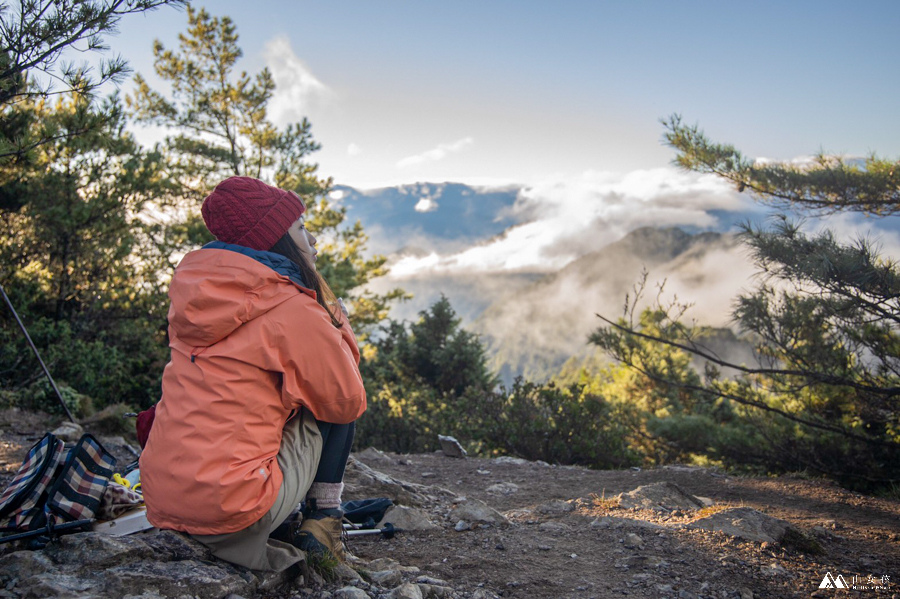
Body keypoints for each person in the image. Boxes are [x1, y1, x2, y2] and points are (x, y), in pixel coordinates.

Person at [139, 176, 366, 572]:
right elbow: (347, 400)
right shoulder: (289, 307)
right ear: (275, 238)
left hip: (162, 501)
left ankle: (286, 517)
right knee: (327, 404)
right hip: (233, 510)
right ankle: (324, 524)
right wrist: (334, 314)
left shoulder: (195, 296)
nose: (312, 241)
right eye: (300, 228)